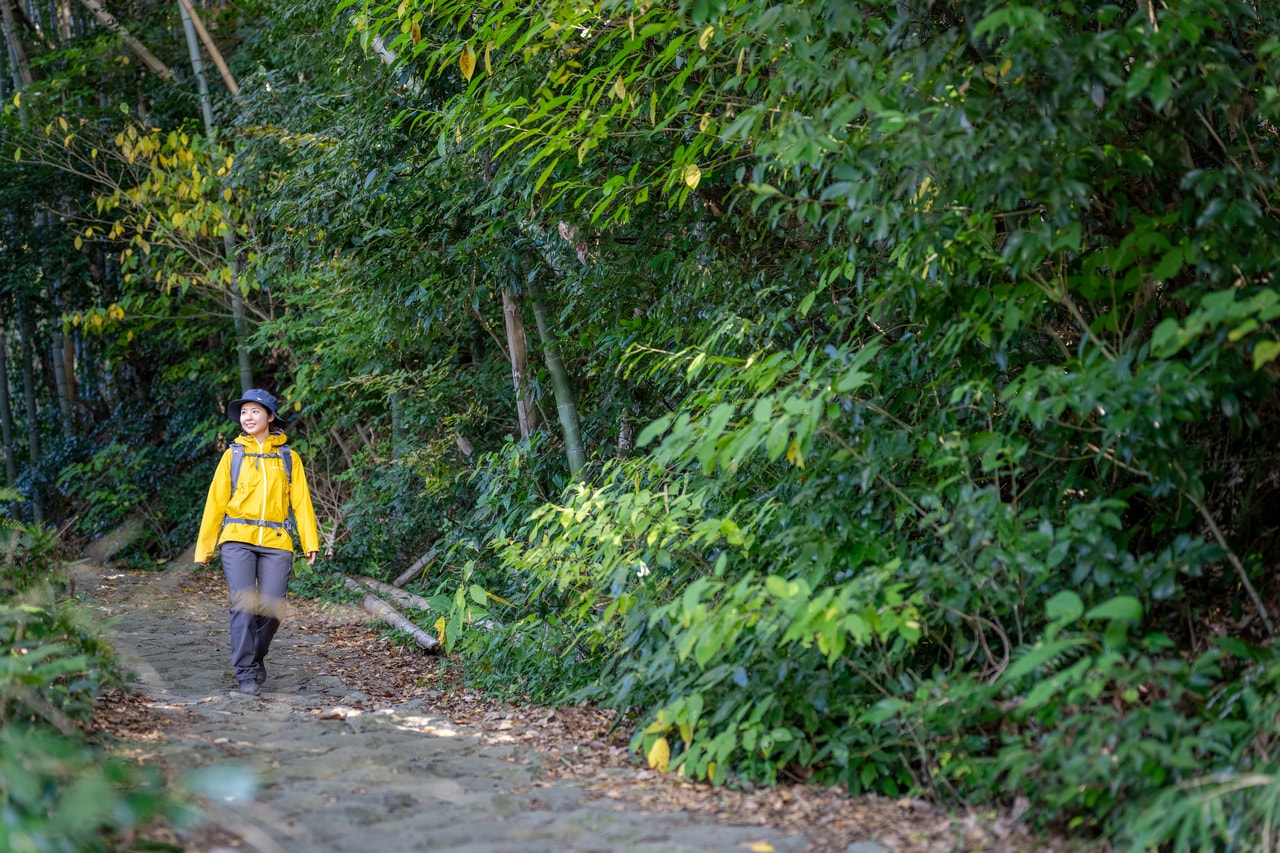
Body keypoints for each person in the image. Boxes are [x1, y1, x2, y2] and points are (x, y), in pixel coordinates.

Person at [195, 389, 319, 696]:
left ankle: (255, 655)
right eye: (244, 412)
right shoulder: (232, 455)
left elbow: (301, 502)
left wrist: (309, 541)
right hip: (237, 538)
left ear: (270, 416)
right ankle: (246, 673)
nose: (247, 417)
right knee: (243, 603)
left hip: (277, 539)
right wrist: (205, 547)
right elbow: (215, 502)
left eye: (255, 411)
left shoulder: (288, 458)